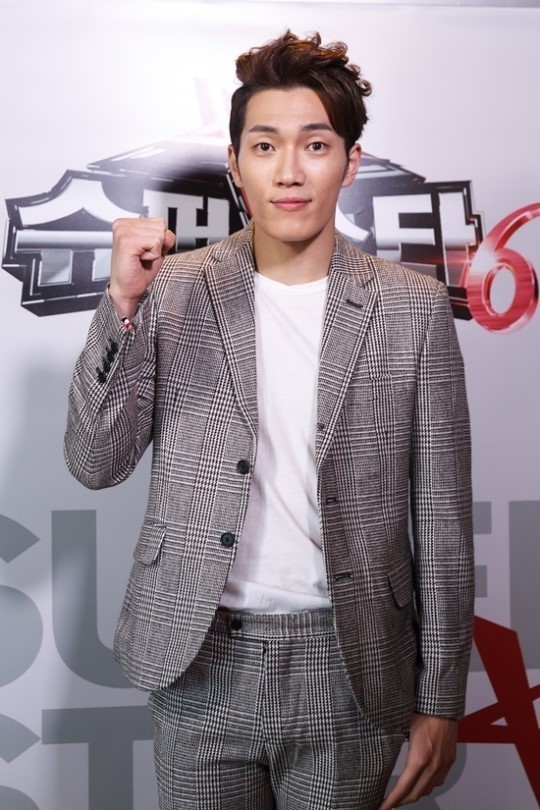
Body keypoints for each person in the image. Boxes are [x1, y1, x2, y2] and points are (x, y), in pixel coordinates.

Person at [65, 30, 474, 810]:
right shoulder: (170, 289)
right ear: (235, 164)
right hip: (200, 657)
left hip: (352, 664)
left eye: (315, 145)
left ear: (351, 162)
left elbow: (443, 520)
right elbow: (94, 461)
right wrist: (121, 304)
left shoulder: (413, 308)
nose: (289, 171)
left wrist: (442, 696)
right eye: (265, 146)